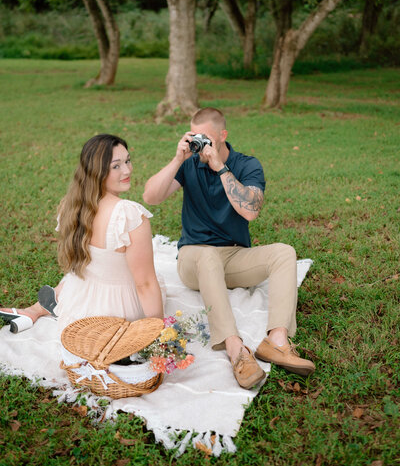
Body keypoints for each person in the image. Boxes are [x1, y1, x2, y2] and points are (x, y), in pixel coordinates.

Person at [143, 107, 315, 389]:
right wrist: (177, 158)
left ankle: (277, 342)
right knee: (208, 255)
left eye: (207, 137)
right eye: (195, 136)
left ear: (222, 136)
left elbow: (250, 211)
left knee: (284, 252)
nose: (202, 144)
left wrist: (220, 168)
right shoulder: (188, 164)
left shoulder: (246, 165)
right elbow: (151, 196)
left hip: (233, 256)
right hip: (194, 258)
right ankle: (236, 350)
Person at [0, 134, 164, 335]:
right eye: (116, 166)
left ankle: (32, 311)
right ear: (98, 171)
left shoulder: (72, 207)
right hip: (119, 312)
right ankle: (36, 309)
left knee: (76, 276)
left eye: (128, 161)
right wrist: (158, 331)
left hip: (79, 305)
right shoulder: (128, 215)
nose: (127, 170)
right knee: (154, 281)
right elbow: (145, 284)